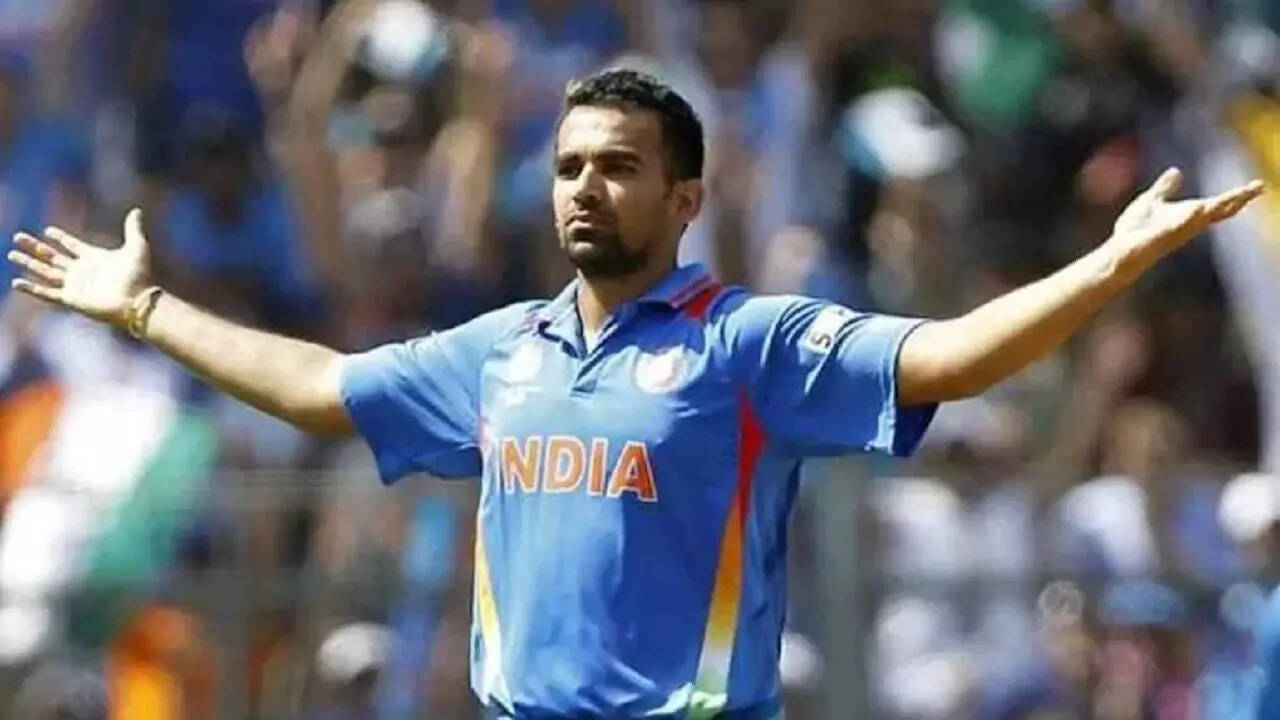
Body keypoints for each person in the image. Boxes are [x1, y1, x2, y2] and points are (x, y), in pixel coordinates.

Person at [4, 68, 1265, 718]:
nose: (583, 188)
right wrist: (146, 311)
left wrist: (1107, 266)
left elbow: (946, 357)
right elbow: (323, 386)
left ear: (684, 198)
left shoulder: (747, 342)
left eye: (616, 166)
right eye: (567, 166)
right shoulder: (501, 349)